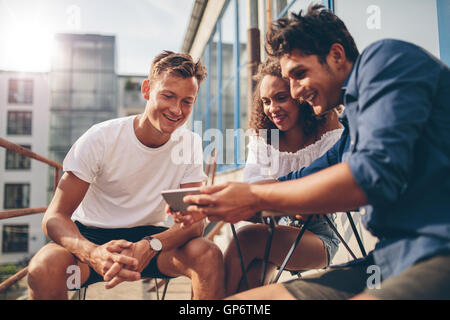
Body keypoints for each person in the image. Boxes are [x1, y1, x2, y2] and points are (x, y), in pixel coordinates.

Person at [181, 5, 450, 300]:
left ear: (336, 55)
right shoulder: (352, 130)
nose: (296, 92)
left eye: (299, 74)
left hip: (438, 254)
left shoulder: (384, 60)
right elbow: (297, 179)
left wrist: (253, 197)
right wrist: (219, 199)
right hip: (386, 262)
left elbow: (371, 175)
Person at [27, 51, 225, 300]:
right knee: (44, 268)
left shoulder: (190, 143)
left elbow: (195, 222)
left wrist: (151, 245)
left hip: (154, 247)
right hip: (93, 245)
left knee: (208, 255)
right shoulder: (100, 137)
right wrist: (92, 253)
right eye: (168, 96)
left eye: (187, 101)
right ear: (146, 90)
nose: (177, 109)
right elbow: (54, 217)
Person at [223, 57, 342, 295]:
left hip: (319, 235)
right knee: (251, 283)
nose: (272, 108)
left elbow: (319, 197)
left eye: (281, 97)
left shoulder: (328, 133)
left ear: (300, 96)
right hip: (275, 228)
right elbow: (251, 186)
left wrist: (268, 197)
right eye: (266, 101)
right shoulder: (265, 138)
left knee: (245, 239)